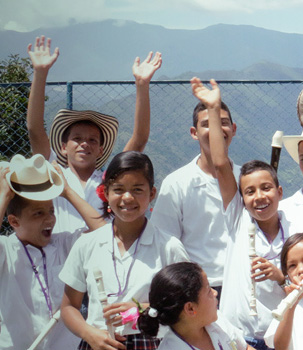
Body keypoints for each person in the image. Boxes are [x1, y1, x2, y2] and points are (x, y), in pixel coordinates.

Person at [190, 78, 293, 350]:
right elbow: (221, 163)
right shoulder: (238, 216)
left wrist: (279, 276)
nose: (259, 197)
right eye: (249, 192)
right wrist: (213, 108)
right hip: (237, 338)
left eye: (266, 188)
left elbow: (301, 286)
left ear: (280, 192)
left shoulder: (294, 229)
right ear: (241, 198)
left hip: (279, 338)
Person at [25, 36, 161, 234]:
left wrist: (142, 85)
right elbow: (35, 130)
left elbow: (139, 139)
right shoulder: (53, 173)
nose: (84, 144)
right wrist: (40, 73)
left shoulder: (110, 180)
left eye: (92, 140)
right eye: (77, 139)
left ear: (101, 149)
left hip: (100, 260)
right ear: (63, 147)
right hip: (57, 262)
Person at [59, 151, 188, 350]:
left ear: (152, 193)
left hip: (150, 343)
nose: (127, 198)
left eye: (137, 189)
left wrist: (145, 309)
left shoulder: (168, 247)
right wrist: (89, 333)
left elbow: (187, 304)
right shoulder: (87, 244)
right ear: (105, 192)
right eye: (118, 189)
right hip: (97, 342)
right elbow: (68, 307)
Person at [0, 156, 104, 349]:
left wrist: (68, 192)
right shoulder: (5, 250)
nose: (49, 219)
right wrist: (4, 197)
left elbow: (104, 234)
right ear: (14, 221)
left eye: (51, 211)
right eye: (38, 213)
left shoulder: (64, 244)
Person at [148, 82, 239, 296]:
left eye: (223, 123)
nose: (217, 129)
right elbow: (165, 241)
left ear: (234, 130)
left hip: (241, 283)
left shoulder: (247, 179)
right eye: (207, 124)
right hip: (196, 290)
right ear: (194, 133)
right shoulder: (176, 182)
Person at [136, 262, 250, 350]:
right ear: (190, 308)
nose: (215, 293)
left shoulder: (218, 323)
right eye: (208, 291)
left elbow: (245, 348)